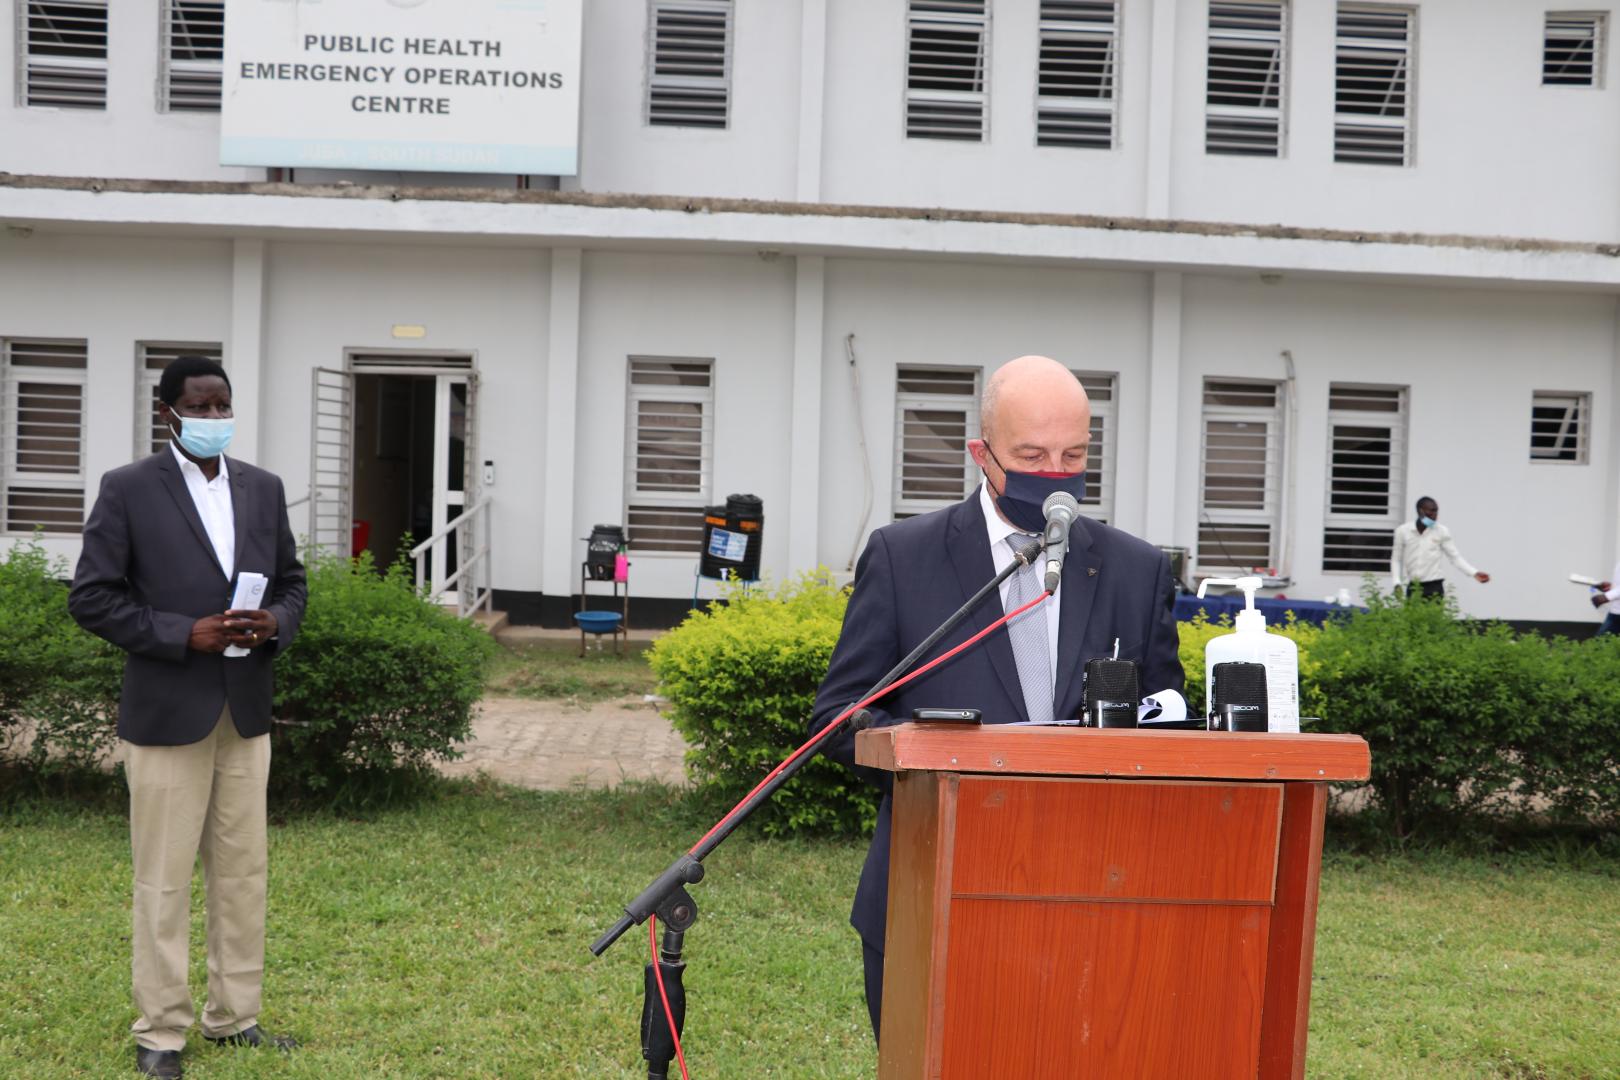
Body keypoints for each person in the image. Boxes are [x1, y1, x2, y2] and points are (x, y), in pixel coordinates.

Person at [808, 355, 1183, 1042]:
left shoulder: (1136, 570)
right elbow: (837, 716)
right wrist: (926, 754)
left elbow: (1169, 715)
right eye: (1032, 455)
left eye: (1073, 455)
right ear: (982, 454)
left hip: (1094, 898)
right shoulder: (903, 557)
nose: (1055, 474)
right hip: (932, 889)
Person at [69, 355, 306, 1079]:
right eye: (198, 407)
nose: (212, 419)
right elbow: (92, 597)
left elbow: (294, 584)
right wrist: (182, 634)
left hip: (246, 710)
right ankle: (161, 1033)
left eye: (221, 406)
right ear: (168, 412)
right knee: (164, 879)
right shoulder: (130, 489)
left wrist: (273, 623)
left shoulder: (263, 490)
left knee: (242, 873)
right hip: (170, 710)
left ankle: (234, 1018)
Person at [1391, 496, 1490, 600]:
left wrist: (1474, 573)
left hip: (1434, 587)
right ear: (1421, 511)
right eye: (1432, 511)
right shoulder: (1403, 531)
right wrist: (1396, 583)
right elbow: (1396, 559)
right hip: (1414, 587)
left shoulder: (1441, 531)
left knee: (1434, 616)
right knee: (1413, 616)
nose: (1435, 516)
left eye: (1436, 512)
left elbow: (1455, 557)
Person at [1589, 561, 1620, 635]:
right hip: (1615, 612)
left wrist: (1607, 596)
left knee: (1599, 644)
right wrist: (1612, 587)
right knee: (1600, 644)